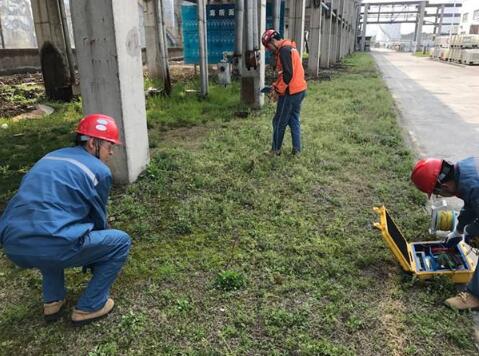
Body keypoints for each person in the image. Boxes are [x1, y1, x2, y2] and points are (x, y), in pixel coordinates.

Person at [0, 113, 131, 325]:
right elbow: (98, 218)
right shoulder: (99, 171)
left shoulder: (50, 157)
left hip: (13, 244)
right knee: (120, 241)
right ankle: (90, 306)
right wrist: (96, 255)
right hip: (52, 244)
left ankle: (52, 301)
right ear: (92, 143)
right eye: (109, 146)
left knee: (50, 230)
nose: (111, 152)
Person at [411, 157, 479, 310]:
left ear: (444, 186)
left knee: (475, 236)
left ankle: (475, 296)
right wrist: (459, 230)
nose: (440, 196)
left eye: (437, 193)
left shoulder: (473, 186)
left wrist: (471, 233)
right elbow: (471, 205)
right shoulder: (463, 170)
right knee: (472, 233)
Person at [261, 29, 307, 156]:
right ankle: (297, 150)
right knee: (293, 119)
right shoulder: (290, 48)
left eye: (268, 46)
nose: (269, 49)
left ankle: (275, 150)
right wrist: (276, 85)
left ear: (273, 41)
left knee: (279, 121)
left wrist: (277, 90)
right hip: (300, 90)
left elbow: (288, 75)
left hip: (291, 92)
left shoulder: (284, 51)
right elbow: (286, 74)